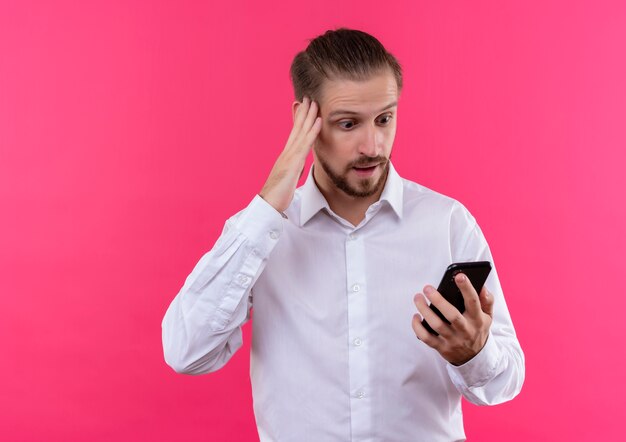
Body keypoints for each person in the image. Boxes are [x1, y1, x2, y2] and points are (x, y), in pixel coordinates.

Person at [162, 28, 525, 441]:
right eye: (348, 124)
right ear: (306, 121)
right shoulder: (263, 233)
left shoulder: (448, 223)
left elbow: (505, 382)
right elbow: (185, 351)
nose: (373, 145)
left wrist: (473, 354)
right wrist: (266, 208)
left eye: (385, 119)